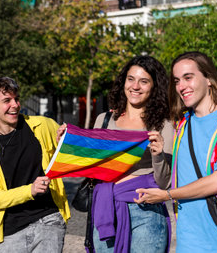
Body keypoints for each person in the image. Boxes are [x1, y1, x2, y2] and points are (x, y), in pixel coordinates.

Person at [135, 52, 217, 252]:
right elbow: (144, 106)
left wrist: (167, 195)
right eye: (177, 80)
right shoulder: (179, 124)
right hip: (190, 236)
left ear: (209, 79)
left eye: (189, 77)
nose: (181, 86)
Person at [58, 55, 173, 253]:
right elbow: (92, 168)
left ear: (154, 87)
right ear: (123, 82)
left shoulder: (163, 125)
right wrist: (69, 143)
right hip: (105, 211)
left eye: (144, 81)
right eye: (131, 79)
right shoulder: (104, 120)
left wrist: (158, 155)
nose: (135, 86)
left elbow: (164, 183)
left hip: (146, 210)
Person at [0, 77, 70, 252]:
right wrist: (30, 191)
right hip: (10, 229)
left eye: (16, 99)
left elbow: (73, 157)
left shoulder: (43, 126)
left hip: (48, 219)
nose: (15, 105)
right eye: (7, 100)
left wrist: (65, 142)